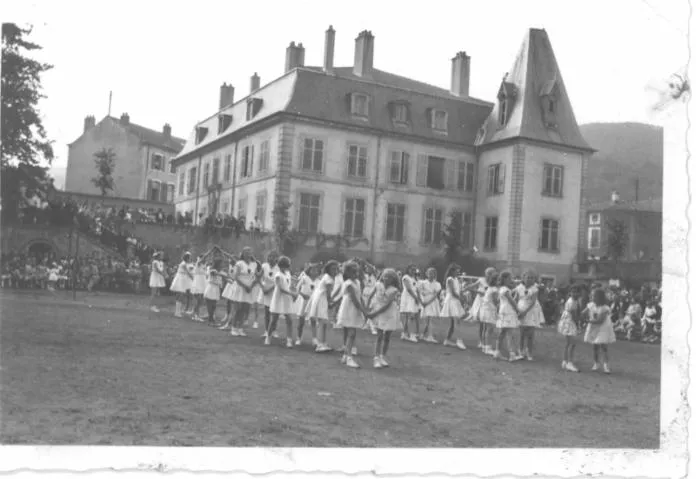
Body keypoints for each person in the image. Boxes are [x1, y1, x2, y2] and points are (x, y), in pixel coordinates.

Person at [336, 261, 368, 368]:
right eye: (353, 272)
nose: (356, 274)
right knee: (351, 333)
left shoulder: (357, 282)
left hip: (354, 309)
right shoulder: (348, 283)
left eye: (357, 271)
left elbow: (360, 297)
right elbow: (354, 300)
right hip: (348, 309)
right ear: (348, 273)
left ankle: (346, 355)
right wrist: (364, 311)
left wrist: (365, 308)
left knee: (352, 333)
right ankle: (349, 357)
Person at [366, 268, 400, 368]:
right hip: (378, 309)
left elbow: (387, 305)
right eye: (385, 276)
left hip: (388, 312)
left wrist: (375, 313)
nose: (386, 278)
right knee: (379, 335)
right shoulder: (377, 285)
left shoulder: (394, 290)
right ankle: (376, 358)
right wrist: (368, 308)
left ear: (393, 279)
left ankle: (383, 356)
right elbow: (370, 296)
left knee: (387, 336)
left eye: (389, 277)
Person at [306, 260, 340, 353]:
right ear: (328, 269)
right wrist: (330, 303)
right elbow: (328, 294)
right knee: (322, 322)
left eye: (336, 269)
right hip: (321, 299)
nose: (335, 271)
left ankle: (323, 343)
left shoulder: (328, 277)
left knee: (324, 322)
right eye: (333, 269)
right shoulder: (328, 278)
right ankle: (320, 345)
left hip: (321, 298)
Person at [583, 288, 615, 373]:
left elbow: (600, 320)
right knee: (595, 346)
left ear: (598, 297)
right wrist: (583, 316)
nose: (591, 296)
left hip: (603, 327)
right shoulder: (591, 305)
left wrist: (588, 321)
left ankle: (606, 365)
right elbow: (583, 313)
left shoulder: (604, 308)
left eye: (593, 295)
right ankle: (596, 363)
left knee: (603, 346)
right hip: (594, 327)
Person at [493, 271, 523, 362]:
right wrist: (518, 310)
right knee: (510, 333)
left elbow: (509, 300)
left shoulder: (503, 289)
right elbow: (511, 301)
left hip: (504, 311)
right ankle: (512, 354)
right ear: (505, 279)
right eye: (510, 278)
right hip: (508, 312)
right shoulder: (505, 289)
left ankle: (497, 352)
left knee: (502, 333)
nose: (512, 280)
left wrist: (516, 295)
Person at [267, 256, 296, 347]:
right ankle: (268, 337)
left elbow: (289, 285)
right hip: (279, 298)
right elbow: (281, 289)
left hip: (287, 299)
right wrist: (292, 294)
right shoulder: (278, 275)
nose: (288, 267)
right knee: (274, 320)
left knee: (289, 320)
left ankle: (289, 340)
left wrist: (293, 290)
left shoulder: (288, 273)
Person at [228, 247, 257, 337]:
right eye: (246, 252)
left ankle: (240, 328)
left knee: (245, 309)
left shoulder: (254, 264)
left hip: (249, 288)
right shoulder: (239, 263)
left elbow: (254, 277)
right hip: (240, 288)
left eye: (250, 252)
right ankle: (233, 328)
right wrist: (245, 286)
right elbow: (236, 277)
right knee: (238, 309)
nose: (248, 253)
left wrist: (251, 286)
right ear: (243, 254)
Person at [515, 270, 544, 360]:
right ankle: (520, 350)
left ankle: (529, 352)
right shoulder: (519, 288)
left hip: (531, 310)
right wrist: (517, 311)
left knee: (530, 333)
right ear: (523, 278)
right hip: (521, 308)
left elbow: (533, 302)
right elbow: (515, 299)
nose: (530, 279)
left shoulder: (535, 289)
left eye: (532, 278)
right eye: (528, 277)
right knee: (522, 332)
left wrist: (525, 312)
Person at [440, 263, 467, 350]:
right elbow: (452, 292)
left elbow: (458, 291)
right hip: (451, 301)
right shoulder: (450, 279)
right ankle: (459, 341)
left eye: (459, 271)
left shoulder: (456, 279)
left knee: (453, 323)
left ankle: (447, 340)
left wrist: (462, 297)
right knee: (457, 321)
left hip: (456, 301)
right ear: (452, 271)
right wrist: (461, 299)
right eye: (457, 271)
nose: (458, 272)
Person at [558, 285, 581, 372]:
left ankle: (565, 360)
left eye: (576, 292)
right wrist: (578, 324)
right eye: (573, 292)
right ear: (570, 293)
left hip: (568, 321)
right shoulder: (572, 302)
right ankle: (569, 363)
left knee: (568, 343)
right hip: (569, 322)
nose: (575, 293)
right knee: (572, 343)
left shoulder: (574, 301)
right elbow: (574, 316)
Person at [295, 263, 319, 346]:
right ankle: (298, 338)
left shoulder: (318, 281)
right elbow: (297, 288)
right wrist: (302, 295)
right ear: (309, 271)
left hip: (312, 303)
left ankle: (314, 339)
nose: (315, 271)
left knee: (313, 320)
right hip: (303, 302)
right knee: (301, 322)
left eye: (316, 270)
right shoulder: (305, 278)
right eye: (313, 270)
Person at [258, 251, 280, 338]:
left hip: (275, 291)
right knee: (267, 312)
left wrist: (270, 289)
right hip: (265, 290)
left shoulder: (278, 268)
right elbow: (259, 277)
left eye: (273, 257)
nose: (270, 258)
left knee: (274, 312)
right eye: (269, 256)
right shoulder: (264, 266)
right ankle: (267, 331)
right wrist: (263, 288)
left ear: (276, 258)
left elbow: (278, 282)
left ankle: (274, 330)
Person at [419, 267, 442, 343]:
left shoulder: (437, 284)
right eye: (429, 273)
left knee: (430, 319)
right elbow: (419, 292)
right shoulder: (422, 283)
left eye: (433, 273)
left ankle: (428, 335)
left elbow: (435, 295)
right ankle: (428, 335)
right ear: (426, 274)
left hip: (432, 302)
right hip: (425, 300)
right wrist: (422, 301)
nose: (431, 275)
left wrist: (428, 302)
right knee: (427, 319)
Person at [399, 264, 421, 342]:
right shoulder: (405, 277)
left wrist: (418, 298)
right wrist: (415, 297)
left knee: (411, 316)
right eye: (412, 269)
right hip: (408, 297)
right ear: (408, 270)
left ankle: (404, 333)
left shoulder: (414, 279)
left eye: (414, 270)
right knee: (411, 316)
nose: (413, 271)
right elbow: (408, 289)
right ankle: (411, 335)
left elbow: (416, 289)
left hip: (413, 297)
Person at [170, 252, 194, 318]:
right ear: (187, 258)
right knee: (180, 295)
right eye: (189, 257)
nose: (190, 258)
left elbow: (189, 271)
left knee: (180, 295)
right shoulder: (183, 264)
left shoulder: (186, 263)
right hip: (180, 279)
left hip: (183, 279)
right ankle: (177, 312)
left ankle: (178, 311)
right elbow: (187, 272)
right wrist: (193, 279)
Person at [190, 255, 208, 322]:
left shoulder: (204, 264)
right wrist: (210, 251)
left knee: (200, 300)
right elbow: (203, 257)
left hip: (203, 282)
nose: (205, 259)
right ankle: (195, 315)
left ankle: (196, 314)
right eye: (204, 258)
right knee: (198, 299)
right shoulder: (198, 263)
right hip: (198, 282)